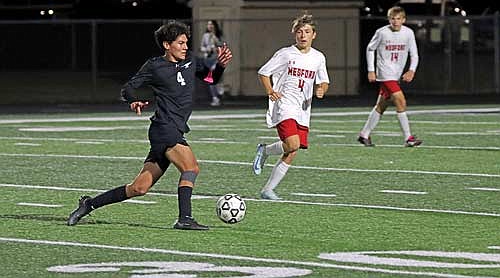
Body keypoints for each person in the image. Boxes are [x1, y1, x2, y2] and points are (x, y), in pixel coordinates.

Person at [67, 20, 232, 230]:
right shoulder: (155, 66)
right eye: (180, 43)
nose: (185, 47)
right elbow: (127, 88)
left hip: (172, 129)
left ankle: (88, 204)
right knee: (191, 167)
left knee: (139, 188)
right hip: (165, 128)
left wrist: (220, 66)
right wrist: (133, 100)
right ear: (166, 44)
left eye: (185, 42)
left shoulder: (190, 60)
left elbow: (210, 79)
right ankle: (185, 218)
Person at [252, 13, 330, 200]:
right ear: (294, 34)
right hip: (284, 105)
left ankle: (268, 189)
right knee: (292, 144)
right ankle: (265, 151)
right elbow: (264, 72)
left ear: (314, 35)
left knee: (292, 150)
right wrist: (270, 90)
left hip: (303, 110)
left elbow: (324, 81)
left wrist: (321, 89)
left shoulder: (318, 58)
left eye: (307, 32)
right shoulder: (286, 54)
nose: (303, 35)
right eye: (299, 32)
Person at [358, 6, 422, 147]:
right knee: (400, 100)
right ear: (389, 19)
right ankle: (408, 138)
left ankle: (364, 134)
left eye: (398, 18)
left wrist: (411, 70)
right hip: (385, 73)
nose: (395, 21)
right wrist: (371, 70)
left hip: (396, 74)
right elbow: (370, 49)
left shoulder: (408, 33)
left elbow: (414, 55)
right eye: (392, 18)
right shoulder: (382, 33)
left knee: (381, 105)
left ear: (403, 20)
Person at [200, 20, 225, 106]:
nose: (209, 26)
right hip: (208, 59)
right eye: (208, 24)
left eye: (211, 24)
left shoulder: (218, 36)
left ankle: (219, 88)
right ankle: (215, 97)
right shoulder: (205, 36)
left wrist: (215, 39)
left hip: (216, 59)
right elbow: (202, 47)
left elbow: (222, 46)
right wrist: (207, 49)